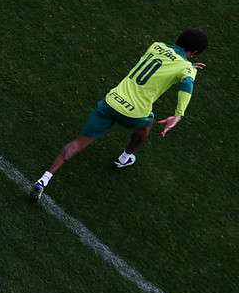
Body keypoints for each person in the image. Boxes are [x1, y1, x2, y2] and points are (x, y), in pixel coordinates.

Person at [31, 28, 208, 199]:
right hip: (134, 114)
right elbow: (187, 84)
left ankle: (44, 179)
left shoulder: (156, 46)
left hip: (111, 102)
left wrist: (187, 65)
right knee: (148, 123)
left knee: (77, 143)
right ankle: (125, 157)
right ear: (194, 52)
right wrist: (178, 114)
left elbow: (167, 61)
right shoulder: (187, 68)